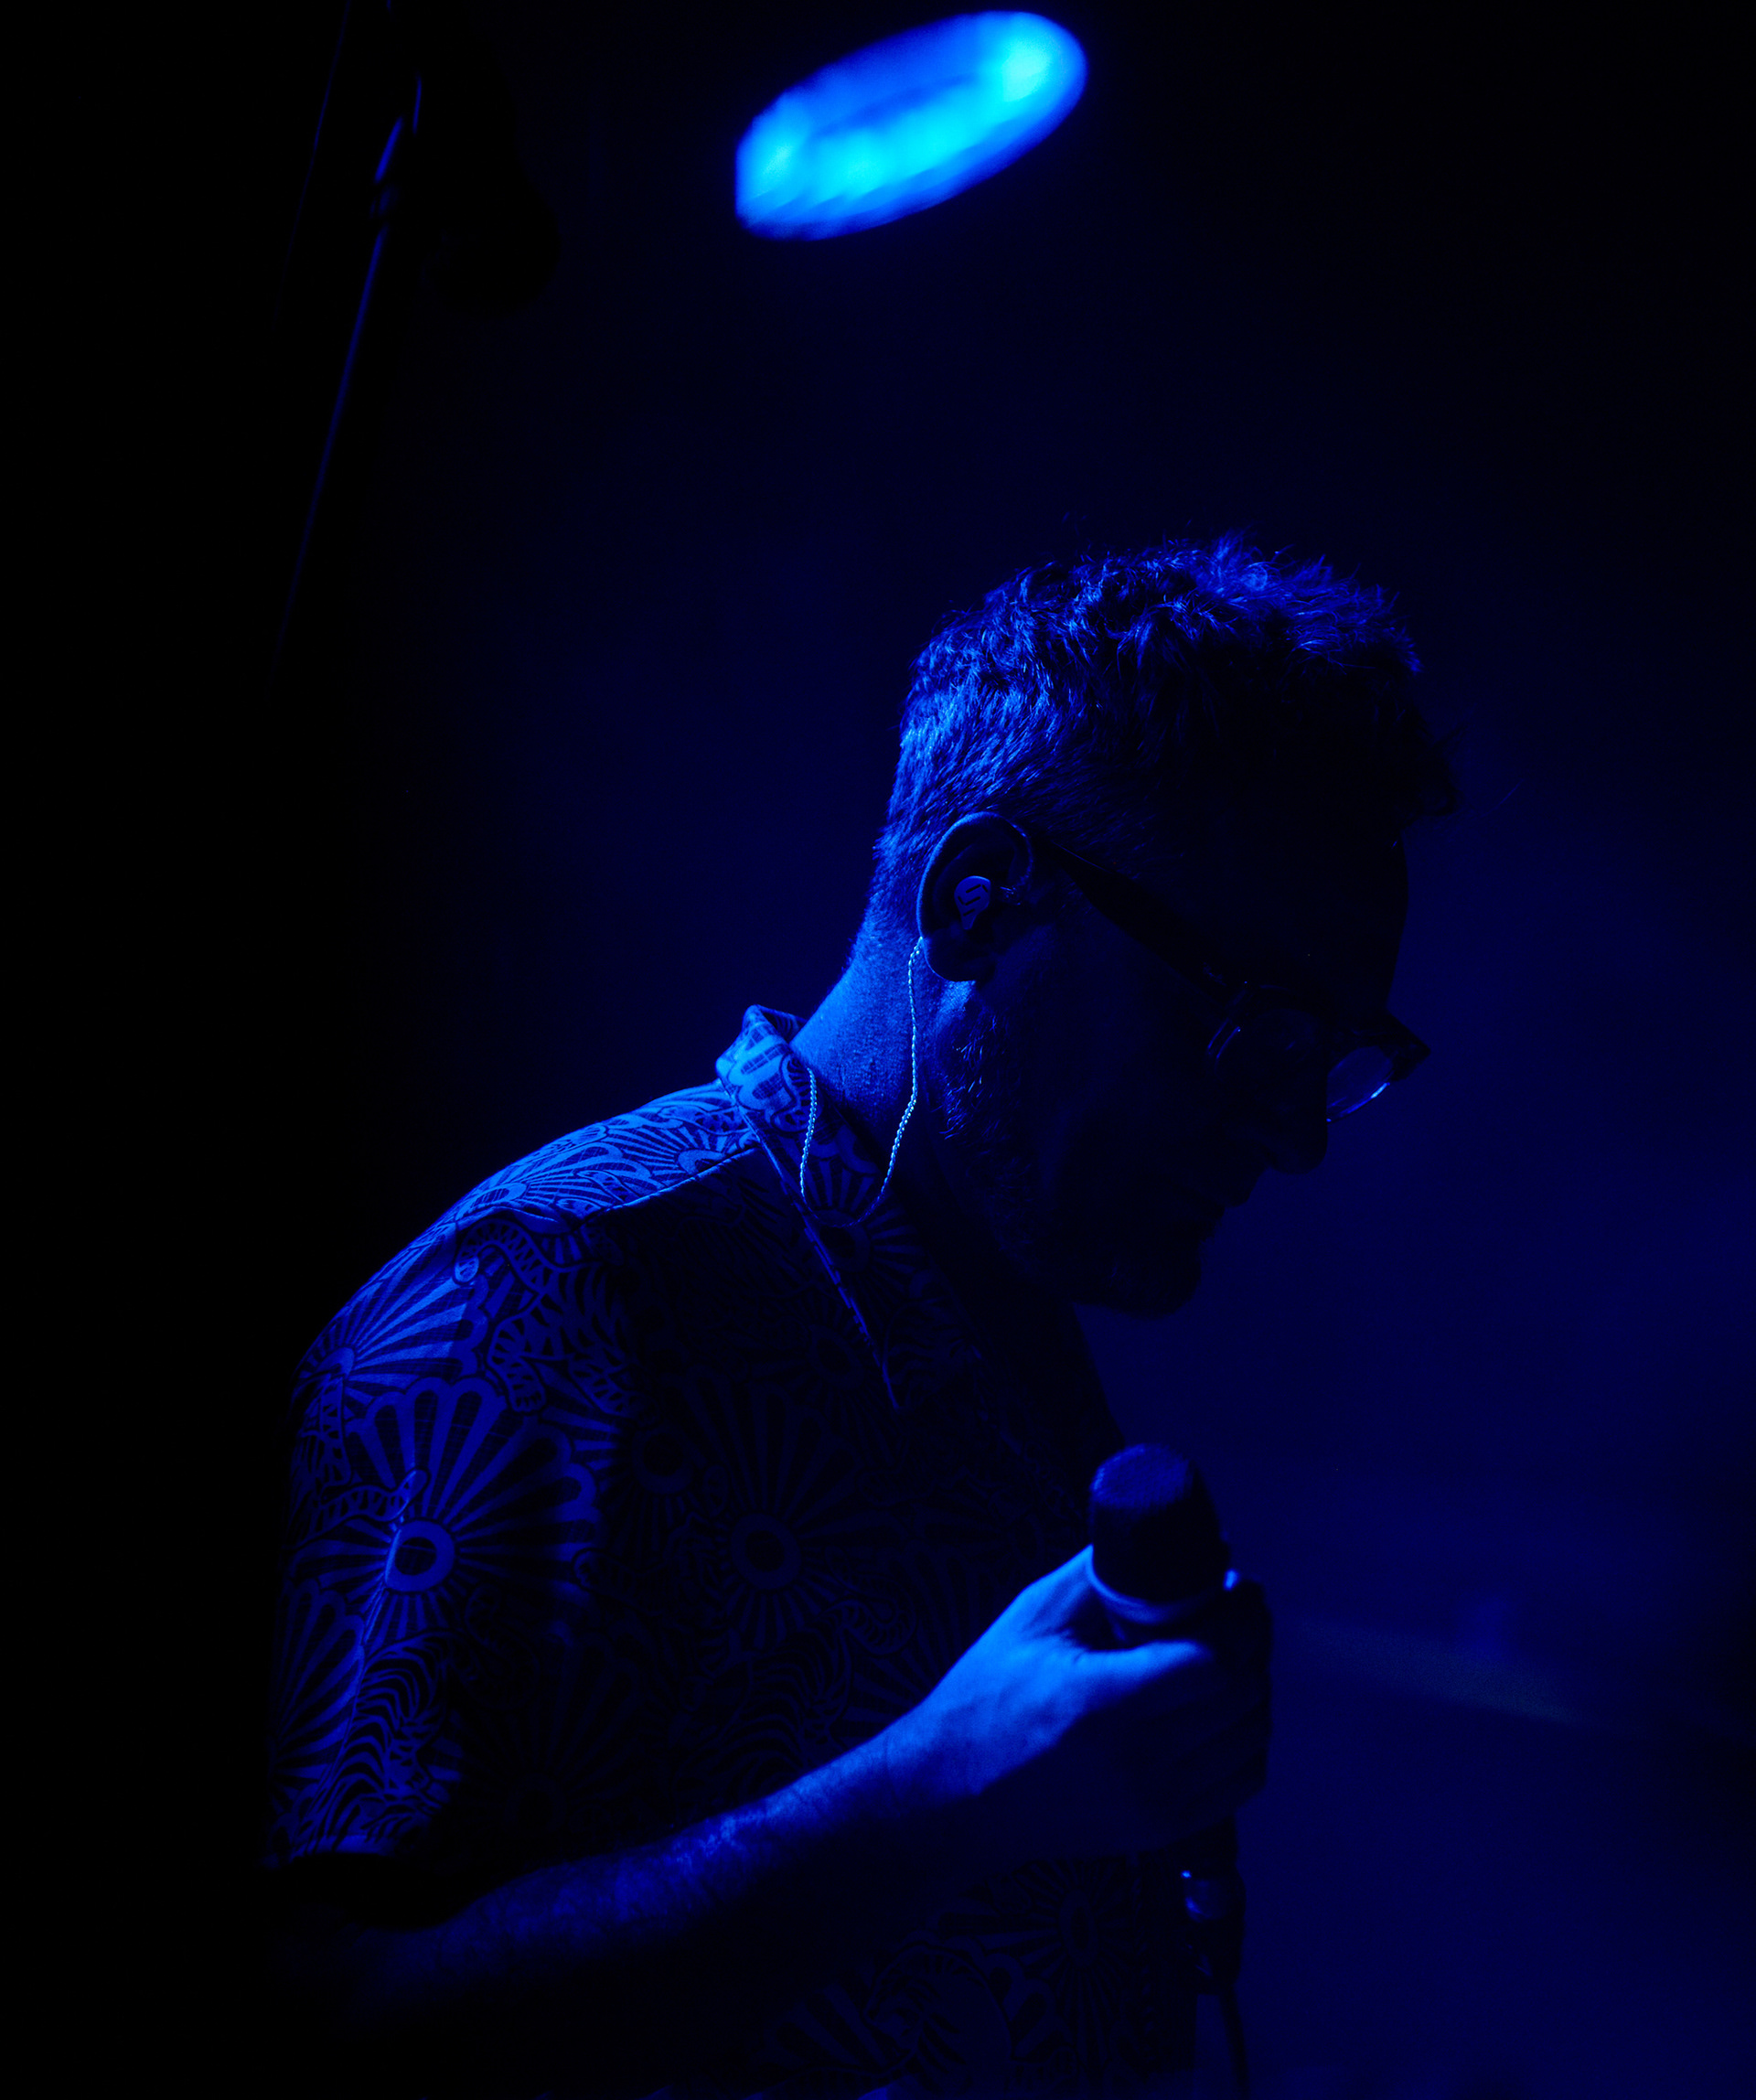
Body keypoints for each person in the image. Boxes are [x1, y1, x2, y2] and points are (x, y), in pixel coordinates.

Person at [262, 537, 1459, 2099]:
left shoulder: (1018, 1341)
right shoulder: (555, 1290)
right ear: (977, 902)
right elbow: (314, 2024)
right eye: (1252, 1024)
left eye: (1337, 1055)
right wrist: (928, 1799)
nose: (1297, 1134)